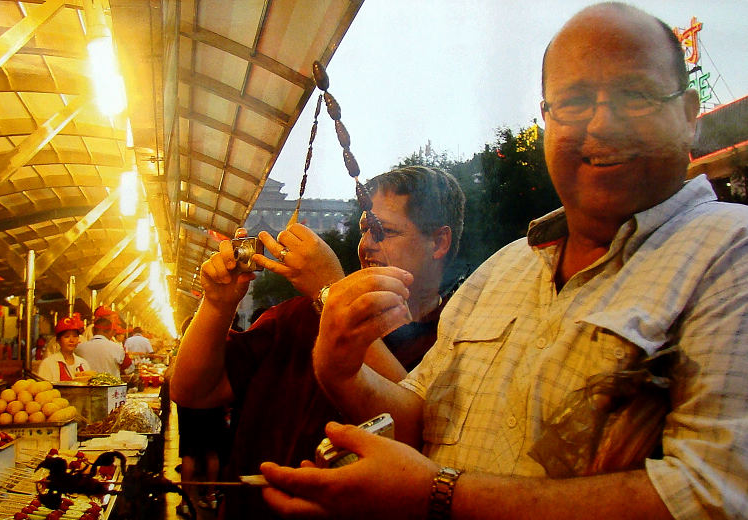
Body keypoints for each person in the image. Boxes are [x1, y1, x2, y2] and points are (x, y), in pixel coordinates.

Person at [258, 4, 748, 520]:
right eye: (576, 101)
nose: (604, 122)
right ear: (546, 120)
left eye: (638, 95)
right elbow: (424, 417)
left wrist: (436, 496)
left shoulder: (729, 253)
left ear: (690, 115)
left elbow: (715, 495)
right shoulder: (507, 266)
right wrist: (341, 371)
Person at [170, 166, 465, 519]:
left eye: (384, 231)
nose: (367, 245)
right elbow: (192, 391)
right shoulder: (298, 317)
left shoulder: (456, 342)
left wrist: (331, 294)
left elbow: (420, 432)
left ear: (439, 242)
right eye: (364, 230)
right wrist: (216, 304)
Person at [174, 316, 229, 517]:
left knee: (189, 454)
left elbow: (170, 378)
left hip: (189, 407)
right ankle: (211, 497)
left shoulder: (182, 351)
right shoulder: (220, 348)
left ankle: (186, 501)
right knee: (212, 452)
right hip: (214, 405)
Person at [38, 316, 91, 382]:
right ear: (58, 340)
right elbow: (43, 389)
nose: (71, 340)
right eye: (67, 336)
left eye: (75, 336)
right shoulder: (48, 364)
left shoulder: (83, 364)